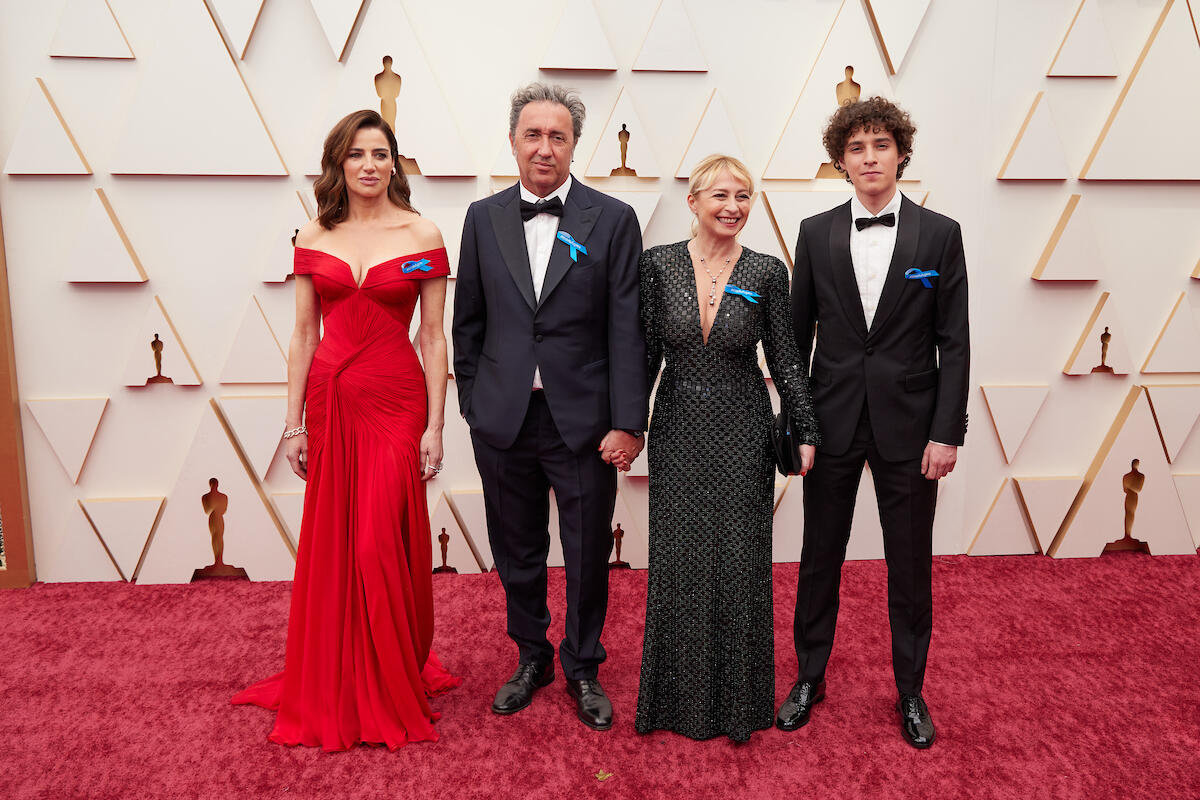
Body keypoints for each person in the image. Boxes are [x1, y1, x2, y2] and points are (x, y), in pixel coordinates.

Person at [233, 109, 461, 750]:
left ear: (395, 162)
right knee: (337, 543)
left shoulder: (423, 232)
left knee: (375, 543)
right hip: (332, 400)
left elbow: (433, 335)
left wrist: (435, 426)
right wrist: (292, 423)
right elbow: (304, 333)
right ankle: (342, 677)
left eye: (381, 153)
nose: (369, 165)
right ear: (340, 163)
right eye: (357, 154)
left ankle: (388, 681)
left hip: (395, 399)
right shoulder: (315, 233)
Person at [452, 83, 648, 731]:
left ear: (573, 144)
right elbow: (468, 323)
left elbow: (628, 329)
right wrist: (475, 404)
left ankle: (584, 665)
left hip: (586, 424)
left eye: (557, 136)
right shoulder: (482, 219)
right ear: (512, 142)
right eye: (532, 135)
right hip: (503, 418)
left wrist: (628, 421)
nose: (544, 147)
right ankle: (531, 655)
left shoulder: (613, 219)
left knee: (589, 550)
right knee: (516, 549)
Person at [782, 97, 970, 749]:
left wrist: (947, 431)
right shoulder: (814, 232)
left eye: (881, 145)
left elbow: (956, 339)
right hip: (829, 423)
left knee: (910, 564)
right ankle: (809, 677)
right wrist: (798, 425)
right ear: (840, 160)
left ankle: (912, 692)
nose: (869, 157)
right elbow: (796, 337)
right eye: (857, 147)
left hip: (913, 428)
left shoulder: (940, 234)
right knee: (819, 558)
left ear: (901, 153)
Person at [634, 155, 819, 742]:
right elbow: (642, 357)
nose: (734, 206)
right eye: (721, 195)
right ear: (693, 202)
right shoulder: (657, 266)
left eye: (743, 196)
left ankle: (739, 703)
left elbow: (786, 359)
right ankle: (673, 701)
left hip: (744, 428)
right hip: (677, 423)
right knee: (677, 556)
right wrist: (624, 425)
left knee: (740, 559)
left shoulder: (766, 272)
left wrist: (805, 427)